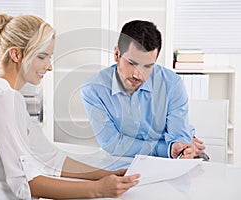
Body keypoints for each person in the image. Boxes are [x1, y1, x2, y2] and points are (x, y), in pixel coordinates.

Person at [0, 14, 140, 199]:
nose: (49, 67)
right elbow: (27, 183)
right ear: (16, 54)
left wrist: (103, 174)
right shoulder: (3, 98)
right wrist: (99, 189)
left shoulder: (4, 92)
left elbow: (48, 157)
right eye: (42, 57)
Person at [81, 20, 206, 159]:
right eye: (132, 63)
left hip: (171, 159)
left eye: (147, 66)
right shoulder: (94, 90)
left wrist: (181, 147)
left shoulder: (172, 84)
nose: (137, 74)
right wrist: (165, 148)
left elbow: (177, 138)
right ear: (117, 54)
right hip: (125, 159)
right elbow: (113, 143)